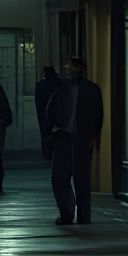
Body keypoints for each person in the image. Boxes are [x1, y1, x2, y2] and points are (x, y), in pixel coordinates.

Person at [46, 56, 104, 227]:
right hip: (64, 136)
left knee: (82, 180)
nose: (70, 72)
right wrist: (52, 130)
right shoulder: (61, 89)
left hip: (82, 138)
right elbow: (50, 109)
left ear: (81, 70)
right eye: (68, 68)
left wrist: (93, 137)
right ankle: (67, 213)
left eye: (72, 68)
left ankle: (83, 216)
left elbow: (98, 116)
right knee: (59, 177)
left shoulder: (92, 89)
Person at [34, 63, 59, 151]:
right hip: (56, 113)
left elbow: (38, 101)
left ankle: (46, 152)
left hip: (43, 114)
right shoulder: (58, 83)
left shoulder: (40, 84)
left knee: (45, 134)